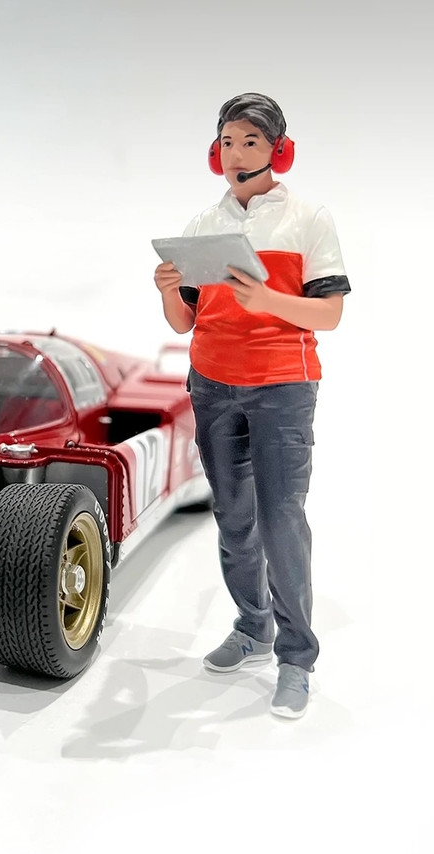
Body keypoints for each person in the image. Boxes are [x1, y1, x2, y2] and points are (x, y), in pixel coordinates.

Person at [154, 92, 351, 719]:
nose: (238, 154)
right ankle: (252, 625)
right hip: (213, 385)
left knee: (281, 520)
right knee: (234, 517)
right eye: (229, 142)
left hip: (282, 388)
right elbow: (184, 322)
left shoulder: (307, 218)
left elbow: (330, 314)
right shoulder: (202, 224)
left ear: (278, 150)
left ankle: (297, 657)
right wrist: (167, 291)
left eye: (251, 142)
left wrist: (268, 302)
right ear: (216, 152)